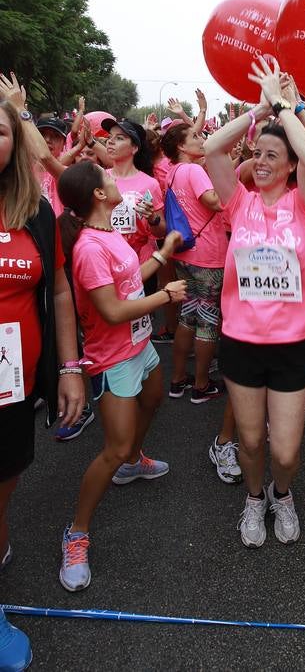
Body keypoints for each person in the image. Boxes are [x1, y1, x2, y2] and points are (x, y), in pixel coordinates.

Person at [204, 55, 305, 547]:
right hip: (242, 342)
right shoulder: (239, 201)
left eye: (276, 154)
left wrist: (284, 107)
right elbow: (211, 147)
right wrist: (256, 111)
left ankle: (282, 491)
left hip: (293, 344)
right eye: (260, 154)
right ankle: (254, 498)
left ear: (290, 165)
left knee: (287, 451)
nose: (265, 160)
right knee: (251, 440)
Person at [55, 161, 186, 591]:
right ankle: (77, 533)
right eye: (107, 177)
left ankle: (134, 463)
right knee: (113, 448)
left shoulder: (110, 236)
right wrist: (165, 295)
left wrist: (163, 254)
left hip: (140, 346)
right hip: (112, 359)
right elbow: (112, 311)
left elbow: (130, 282)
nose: (115, 179)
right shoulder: (90, 248)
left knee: (154, 400)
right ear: (96, 194)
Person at [0, 100, 84, 670]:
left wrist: (70, 367)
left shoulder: (34, 212)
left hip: (11, 386)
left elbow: (57, 289)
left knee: (1, 491)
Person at [160, 122, 226, 403]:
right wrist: (230, 186)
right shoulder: (193, 169)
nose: (202, 139)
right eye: (196, 137)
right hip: (208, 254)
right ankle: (201, 385)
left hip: (185, 252)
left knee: (188, 315)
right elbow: (213, 201)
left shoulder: (173, 171)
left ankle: (177, 379)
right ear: (181, 147)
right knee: (208, 320)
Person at [103, 118, 166, 266]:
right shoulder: (98, 178)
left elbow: (161, 232)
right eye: (109, 137)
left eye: (119, 138)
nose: (110, 142)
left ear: (134, 148)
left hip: (139, 263)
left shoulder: (150, 184)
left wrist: (152, 218)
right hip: (105, 260)